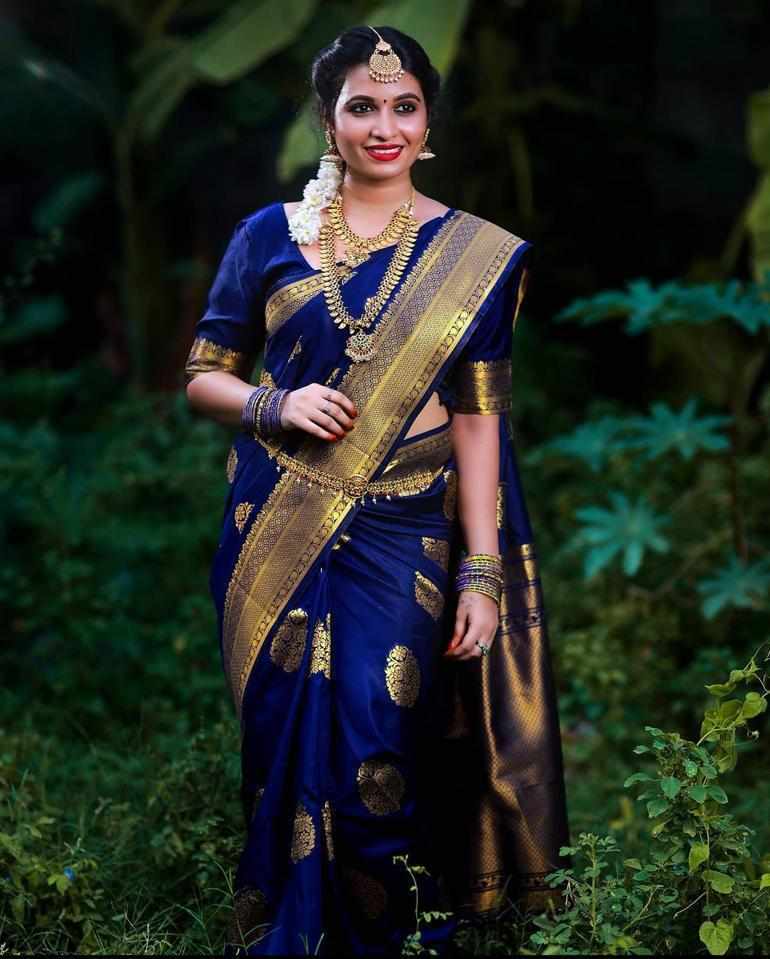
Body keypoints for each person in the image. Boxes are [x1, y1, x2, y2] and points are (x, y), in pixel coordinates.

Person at [184, 24, 569, 957]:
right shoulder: (268, 236)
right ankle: (289, 923)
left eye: (405, 107)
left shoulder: (474, 256)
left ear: (428, 121)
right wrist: (273, 403)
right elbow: (203, 376)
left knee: (376, 731)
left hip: (406, 527)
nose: (384, 126)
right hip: (280, 519)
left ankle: (383, 930)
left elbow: (479, 423)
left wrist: (482, 571)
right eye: (363, 107)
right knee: (281, 736)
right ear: (329, 121)